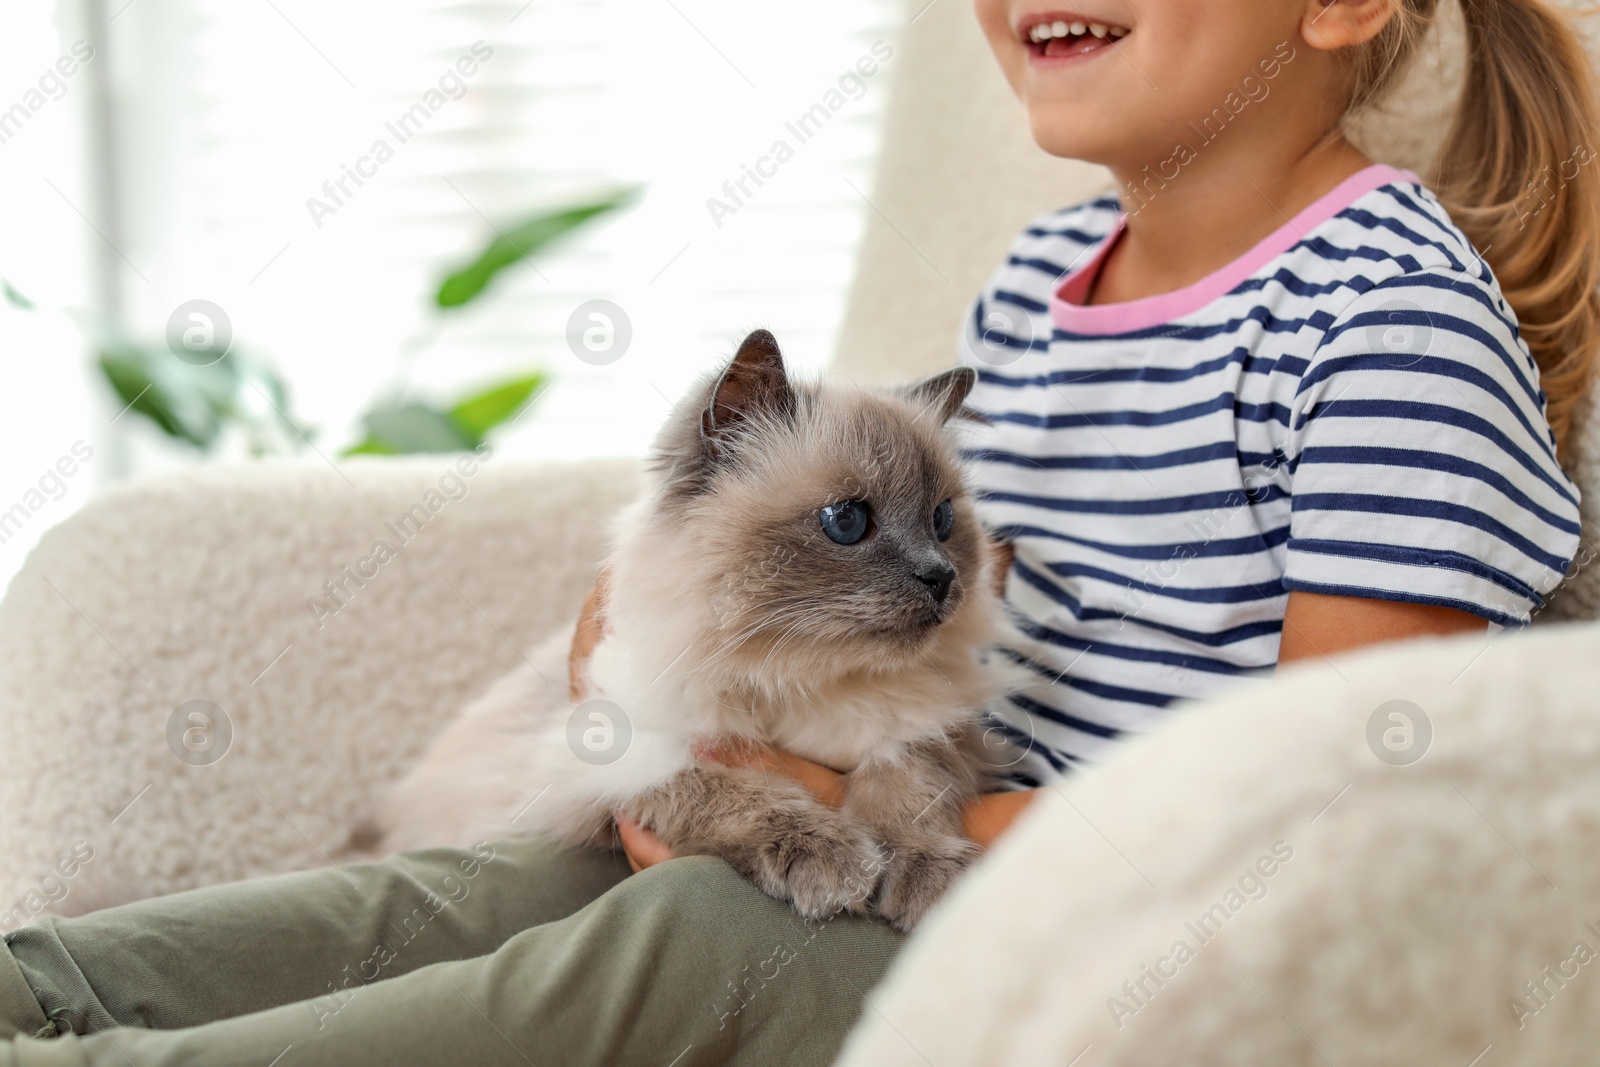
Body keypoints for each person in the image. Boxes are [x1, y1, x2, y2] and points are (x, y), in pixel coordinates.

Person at [2, 1, 1592, 1064]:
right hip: (916, 851)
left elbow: (1338, 834)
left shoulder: (1387, 325)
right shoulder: (1038, 289)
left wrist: (841, 815)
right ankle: (43, 992)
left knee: (684, 929)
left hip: (1127, 965)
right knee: (478, 897)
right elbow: (858, 615)